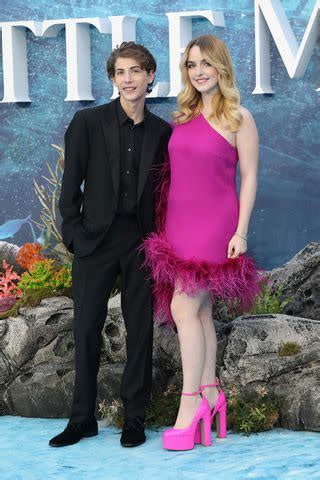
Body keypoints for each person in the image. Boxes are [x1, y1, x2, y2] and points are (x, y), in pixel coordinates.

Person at [49, 42, 172, 448]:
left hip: (140, 242)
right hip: (94, 242)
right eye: (121, 72)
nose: (128, 79)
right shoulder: (87, 122)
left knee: (140, 331)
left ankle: (134, 419)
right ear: (113, 79)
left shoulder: (162, 132)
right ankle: (81, 418)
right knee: (85, 328)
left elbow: (164, 193)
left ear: (150, 75)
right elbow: (70, 188)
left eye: (136, 70)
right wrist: (73, 235)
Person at [142, 34, 261, 450]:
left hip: (216, 224)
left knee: (182, 306)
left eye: (205, 63)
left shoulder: (239, 118)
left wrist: (241, 231)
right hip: (179, 224)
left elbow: (249, 178)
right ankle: (211, 393)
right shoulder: (184, 115)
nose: (198, 71)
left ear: (221, 66)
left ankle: (190, 404)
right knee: (202, 311)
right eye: (191, 65)